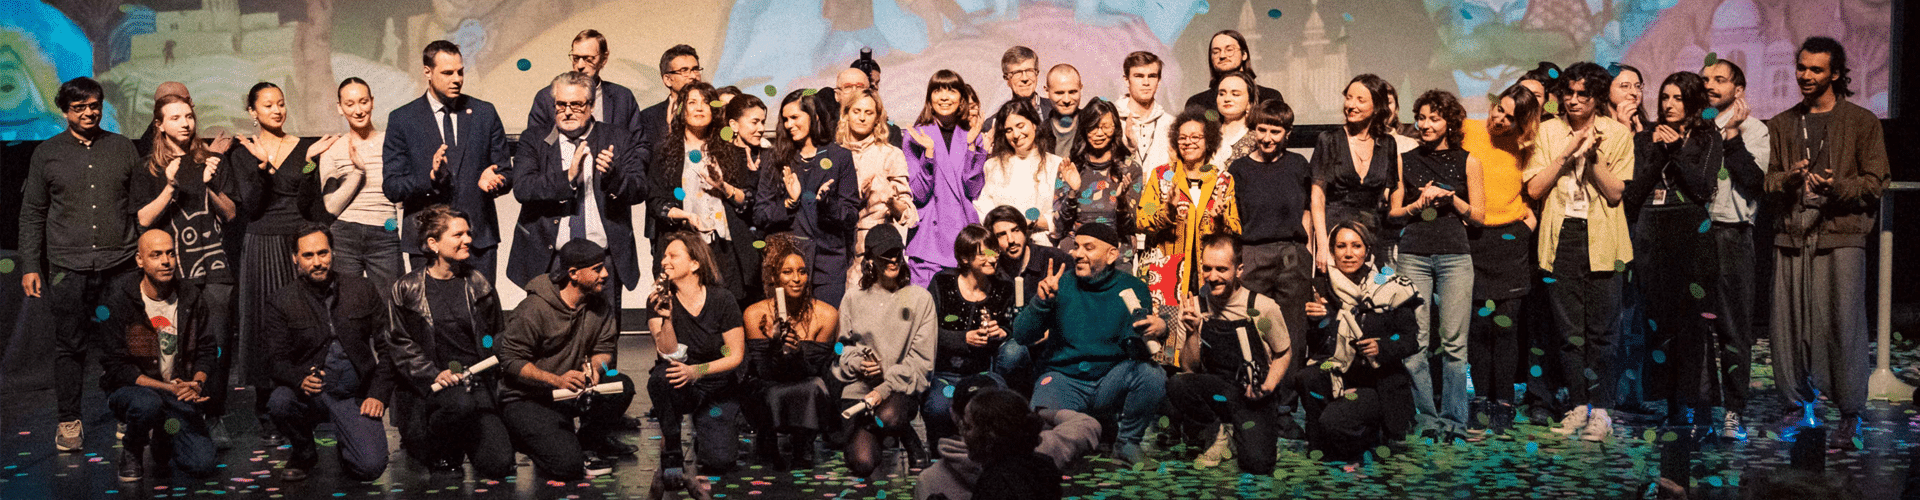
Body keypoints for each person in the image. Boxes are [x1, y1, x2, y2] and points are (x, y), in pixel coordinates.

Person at [1765, 37, 1888, 450]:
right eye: (1801, 67)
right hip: (1792, 235)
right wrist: (1788, 179)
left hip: (1841, 235)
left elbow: (1875, 182)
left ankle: (1850, 413)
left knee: (1843, 325)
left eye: (1815, 70)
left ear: (1835, 73)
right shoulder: (1782, 124)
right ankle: (1796, 406)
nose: (1805, 76)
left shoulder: (1861, 121)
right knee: (1789, 325)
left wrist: (1837, 188)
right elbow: (1766, 181)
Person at [22, 77, 140, 453]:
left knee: (123, 345)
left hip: (119, 264)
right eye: (79, 108)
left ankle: (129, 413)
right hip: (67, 268)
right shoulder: (47, 153)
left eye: (94, 105)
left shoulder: (122, 148)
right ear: (65, 111)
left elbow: (138, 204)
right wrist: (29, 265)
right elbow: (32, 213)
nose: (89, 112)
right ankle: (69, 420)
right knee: (69, 346)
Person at [1523, 61, 1636, 442]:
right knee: (1569, 332)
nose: (1572, 100)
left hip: (1603, 236)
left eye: (1581, 94)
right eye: (1567, 93)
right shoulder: (1548, 131)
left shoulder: (1617, 133)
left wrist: (1590, 158)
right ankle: (1576, 405)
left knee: (1603, 331)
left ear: (1597, 98)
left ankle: (1601, 410)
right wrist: (1567, 153)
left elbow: (1616, 192)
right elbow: (1535, 189)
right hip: (1562, 236)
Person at [1630, 71, 1746, 432]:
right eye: (1665, 97)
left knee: (1693, 324)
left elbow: (1703, 188)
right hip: (1653, 231)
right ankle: (1672, 407)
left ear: (1693, 102)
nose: (1668, 105)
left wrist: (1678, 150)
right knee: (1659, 323)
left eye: (1678, 98)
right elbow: (1635, 194)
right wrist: (1658, 151)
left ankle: (1697, 406)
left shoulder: (1706, 137)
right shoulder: (1645, 137)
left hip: (1693, 233)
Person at [130, 93, 241, 448]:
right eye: (175, 117)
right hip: (175, 270)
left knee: (218, 345)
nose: (185, 123)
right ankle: (176, 413)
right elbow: (144, 219)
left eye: (189, 116)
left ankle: (213, 414)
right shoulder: (147, 167)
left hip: (215, 267)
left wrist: (208, 184)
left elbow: (231, 214)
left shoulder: (211, 160)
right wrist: (171, 186)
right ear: (159, 125)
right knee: (178, 345)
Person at [229, 81, 335, 447]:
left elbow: (308, 203)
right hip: (261, 242)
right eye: (268, 105)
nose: (277, 110)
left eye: (281, 104)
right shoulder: (243, 151)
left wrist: (310, 164)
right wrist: (261, 168)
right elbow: (252, 206)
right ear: (252, 112)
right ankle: (266, 407)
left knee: (302, 318)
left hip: (297, 241)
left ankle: (309, 396)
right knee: (262, 320)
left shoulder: (304, 147)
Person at [1009, 222, 1168, 465]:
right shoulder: (1059, 284)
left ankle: (1127, 443)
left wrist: (1158, 330)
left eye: (1088, 248)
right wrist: (1041, 303)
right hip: (1064, 378)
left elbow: (1137, 350)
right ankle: (1093, 429)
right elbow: (1021, 336)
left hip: (1109, 380)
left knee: (1152, 375)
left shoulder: (1133, 288)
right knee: (1041, 426)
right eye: (1076, 246)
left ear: (1112, 254)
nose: (1077, 254)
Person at [385, 205, 514, 477]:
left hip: (473, 380)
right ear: (433, 243)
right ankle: (440, 446)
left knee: (499, 463)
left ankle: (466, 437)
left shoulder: (478, 282)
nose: (468, 240)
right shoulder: (407, 288)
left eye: (468, 233)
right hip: (433, 385)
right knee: (459, 406)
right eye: (458, 235)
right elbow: (400, 343)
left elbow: (493, 333)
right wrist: (434, 373)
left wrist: (490, 351)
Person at [263, 223, 393, 481]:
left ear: (333, 253)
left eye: (323, 253)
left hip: (353, 396)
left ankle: (349, 446)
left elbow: (388, 347)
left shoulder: (362, 289)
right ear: (295, 259)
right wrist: (300, 377)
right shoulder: (281, 301)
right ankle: (304, 452)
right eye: (308, 256)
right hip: (312, 395)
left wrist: (377, 394)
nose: (317, 262)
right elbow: (275, 360)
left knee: (369, 467)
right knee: (280, 402)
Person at [510, 70, 647, 311]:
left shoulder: (617, 137)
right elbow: (522, 188)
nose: (568, 111)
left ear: (592, 105)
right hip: (551, 259)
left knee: (603, 339)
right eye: (561, 105)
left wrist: (615, 178)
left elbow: (639, 190)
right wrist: (568, 177)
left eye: (576, 104)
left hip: (602, 260)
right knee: (550, 341)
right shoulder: (534, 139)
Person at [498, 239, 634, 479]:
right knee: (566, 467)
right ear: (573, 273)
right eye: (596, 269)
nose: (605, 274)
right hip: (528, 398)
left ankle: (587, 442)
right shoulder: (534, 309)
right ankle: (528, 437)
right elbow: (511, 361)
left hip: (568, 392)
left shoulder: (599, 305)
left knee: (622, 386)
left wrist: (596, 370)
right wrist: (555, 380)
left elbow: (604, 348)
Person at [1389, 90, 1480, 440]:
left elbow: (1481, 217)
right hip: (1413, 254)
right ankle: (1427, 418)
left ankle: (1455, 421)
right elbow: (1394, 213)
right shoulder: (1405, 159)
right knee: (1415, 341)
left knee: (1455, 344)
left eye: (1434, 118)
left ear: (1449, 123)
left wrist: (1450, 197)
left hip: (1455, 255)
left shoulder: (1468, 160)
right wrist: (1417, 204)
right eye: (1422, 117)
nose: (1426, 125)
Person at [384, 40, 512, 286]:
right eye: (447, 72)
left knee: (481, 318)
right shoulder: (402, 119)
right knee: (432, 320)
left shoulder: (484, 113)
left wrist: (496, 182)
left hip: (477, 241)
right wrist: (429, 178)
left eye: (460, 71)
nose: (457, 79)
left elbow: (506, 172)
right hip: (427, 244)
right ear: (427, 72)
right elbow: (392, 187)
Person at [1294, 220, 1421, 463]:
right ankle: (1326, 444)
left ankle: (1364, 440)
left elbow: (1409, 340)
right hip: (1339, 374)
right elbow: (1321, 347)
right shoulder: (1322, 288)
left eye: (1356, 246)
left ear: (1368, 251)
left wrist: (1381, 347)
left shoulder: (1391, 287)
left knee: (1334, 420)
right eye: (1341, 246)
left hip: (1376, 383)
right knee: (1307, 377)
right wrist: (1320, 321)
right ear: (1332, 252)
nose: (1349, 253)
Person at [1164, 234, 1290, 473]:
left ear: (1239, 269)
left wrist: (1268, 387)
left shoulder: (1261, 307)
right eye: (1207, 268)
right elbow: (1189, 370)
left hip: (1254, 393)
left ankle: (1252, 437)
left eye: (1222, 269)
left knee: (1257, 465)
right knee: (1177, 384)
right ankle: (1218, 434)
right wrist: (1192, 332)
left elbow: (1284, 353)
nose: (1213, 277)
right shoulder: (1196, 307)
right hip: (1218, 390)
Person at [100, 230, 219, 481]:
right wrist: (167, 388)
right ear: (140, 260)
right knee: (148, 405)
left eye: (170, 253)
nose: (166, 261)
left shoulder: (190, 295)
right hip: (133, 391)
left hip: (177, 390)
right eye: (156, 255)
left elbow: (208, 348)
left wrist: (196, 383)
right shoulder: (120, 298)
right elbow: (117, 367)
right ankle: (133, 448)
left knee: (201, 463)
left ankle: (164, 437)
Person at [1460, 85, 1542, 438]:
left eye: (1510, 117)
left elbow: (1535, 189)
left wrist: (1528, 225)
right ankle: (1479, 400)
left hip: (1511, 239)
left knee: (1505, 329)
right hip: (1474, 237)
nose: (1499, 119)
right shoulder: (1467, 129)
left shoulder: (1525, 146)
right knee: (1478, 328)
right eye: (1499, 109)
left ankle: (1504, 403)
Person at [1225, 99, 1314, 408]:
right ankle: (1253, 396)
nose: (1267, 137)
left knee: (1292, 331)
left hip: (1292, 253)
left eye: (1275, 131)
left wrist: (1308, 252)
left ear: (1287, 133)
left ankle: (1286, 406)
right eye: (1262, 129)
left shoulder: (1298, 165)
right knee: (1250, 327)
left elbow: (1307, 212)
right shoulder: (1239, 168)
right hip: (1252, 253)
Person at [833, 224, 938, 477]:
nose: (893, 260)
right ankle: (899, 437)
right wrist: (859, 363)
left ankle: (904, 436)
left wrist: (883, 387)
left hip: (897, 391)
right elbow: (840, 349)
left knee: (889, 415)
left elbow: (921, 363)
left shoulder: (920, 299)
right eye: (884, 255)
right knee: (862, 462)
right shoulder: (852, 298)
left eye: (896, 253)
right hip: (859, 391)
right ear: (870, 259)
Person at [1700, 58, 1770, 440]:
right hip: (1695, 235)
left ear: (1738, 90)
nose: (1710, 85)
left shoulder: (1756, 130)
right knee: (1695, 329)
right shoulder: (1696, 128)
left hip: (1732, 235)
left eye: (1720, 80)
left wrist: (1732, 138)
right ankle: (1702, 409)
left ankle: (1733, 411)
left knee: (1733, 330)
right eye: (1706, 79)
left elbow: (1754, 182)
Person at [647, 232, 748, 482]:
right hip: (683, 384)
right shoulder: (658, 300)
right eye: (664, 256)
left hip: (716, 386)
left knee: (719, 461)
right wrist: (667, 319)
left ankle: (708, 430)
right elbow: (667, 353)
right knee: (660, 378)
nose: (665, 261)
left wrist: (697, 371)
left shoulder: (722, 299)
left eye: (673, 256)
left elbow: (735, 355)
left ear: (695, 264)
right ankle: (671, 443)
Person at [649, 81, 758, 305]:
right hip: (684, 244)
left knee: (726, 310)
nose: (700, 108)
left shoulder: (731, 151)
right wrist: (686, 216)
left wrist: (722, 186)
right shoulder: (665, 152)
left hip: (724, 246)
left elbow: (747, 200)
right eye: (692, 102)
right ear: (682, 110)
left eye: (706, 102)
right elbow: (656, 202)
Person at [741, 235, 840, 470]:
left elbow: (816, 370)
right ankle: (768, 436)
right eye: (787, 272)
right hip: (768, 385)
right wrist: (775, 345)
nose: (796, 279)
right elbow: (764, 372)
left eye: (802, 271)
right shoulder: (755, 314)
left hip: (806, 382)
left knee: (814, 385)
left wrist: (796, 353)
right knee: (767, 390)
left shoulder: (826, 315)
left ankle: (803, 442)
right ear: (775, 277)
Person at [755, 90, 862, 305]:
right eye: (785, 119)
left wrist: (828, 204)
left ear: (814, 116)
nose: (788, 125)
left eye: (794, 117)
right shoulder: (774, 158)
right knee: (788, 334)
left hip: (828, 266)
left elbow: (851, 216)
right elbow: (760, 215)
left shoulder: (840, 157)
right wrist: (789, 203)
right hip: (787, 267)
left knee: (825, 333)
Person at [916, 382, 1099, 500]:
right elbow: (1086, 425)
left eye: (969, 426)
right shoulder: (1046, 458)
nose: (965, 432)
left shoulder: (931, 479)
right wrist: (1042, 413)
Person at [1138, 107, 1240, 309]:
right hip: (1167, 272)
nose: (1188, 142)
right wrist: (1168, 210)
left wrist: (1219, 219)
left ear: (1208, 141)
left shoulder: (1223, 180)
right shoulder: (1161, 177)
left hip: (1210, 275)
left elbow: (1236, 231)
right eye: (1182, 137)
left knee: (1209, 333)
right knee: (1168, 336)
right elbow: (1142, 220)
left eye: (1196, 137)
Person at [924, 225, 1017, 446]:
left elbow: (1013, 324)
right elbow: (925, 330)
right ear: (965, 258)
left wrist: (1003, 331)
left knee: (993, 409)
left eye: (994, 252)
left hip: (983, 372)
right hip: (945, 374)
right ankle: (940, 458)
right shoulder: (943, 283)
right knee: (938, 408)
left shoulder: (1004, 287)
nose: (992, 259)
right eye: (983, 254)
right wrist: (962, 339)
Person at [903, 70, 989, 287]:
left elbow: (973, 191)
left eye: (951, 90)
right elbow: (919, 195)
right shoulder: (915, 136)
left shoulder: (971, 136)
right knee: (925, 313)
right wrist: (929, 154)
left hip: (964, 240)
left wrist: (972, 147)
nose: (944, 96)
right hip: (928, 242)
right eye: (937, 90)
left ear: (962, 99)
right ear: (929, 98)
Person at [318, 78, 404, 291]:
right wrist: (358, 172)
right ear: (340, 108)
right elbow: (331, 207)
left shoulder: (391, 142)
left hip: (386, 227)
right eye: (350, 104)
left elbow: (400, 201)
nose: (358, 110)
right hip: (344, 232)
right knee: (346, 306)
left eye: (363, 102)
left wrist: (390, 225)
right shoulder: (332, 147)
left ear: (372, 102)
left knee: (391, 304)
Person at [1313, 74, 1401, 269]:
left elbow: (1391, 190)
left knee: (1374, 292)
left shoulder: (1387, 144)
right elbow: (1317, 197)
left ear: (1377, 106)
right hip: (1334, 234)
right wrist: (1321, 246)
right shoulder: (1329, 140)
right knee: (1333, 295)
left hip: (1371, 237)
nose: (1351, 105)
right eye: (1348, 97)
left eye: (1360, 100)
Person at [839, 87, 918, 288]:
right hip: (839, 250)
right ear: (846, 114)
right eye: (856, 111)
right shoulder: (833, 154)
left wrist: (891, 200)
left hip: (876, 250)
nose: (862, 118)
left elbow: (909, 215)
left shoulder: (891, 154)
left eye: (869, 112)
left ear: (877, 118)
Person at [1054, 99, 1144, 272]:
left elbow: (1132, 227)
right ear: (1084, 129)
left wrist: (1122, 202)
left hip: (1115, 257)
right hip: (1077, 257)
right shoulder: (1070, 168)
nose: (1099, 133)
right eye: (1093, 127)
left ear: (1116, 129)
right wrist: (1073, 192)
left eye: (1106, 127)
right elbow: (1059, 226)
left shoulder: (1130, 168)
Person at [526, 30, 648, 144]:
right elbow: (534, 146)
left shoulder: (623, 98)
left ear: (604, 59)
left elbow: (639, 145)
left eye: (588, 59)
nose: (580, 65)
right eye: (576, 58)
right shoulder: (546, 97)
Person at [974, 99, 1065, 246]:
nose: (1016, 134)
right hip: (1005, 248)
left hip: (1045, 249)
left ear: (1034, 124)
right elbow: (983, 210)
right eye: (1008, 130)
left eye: (1020, 126)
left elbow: (1062, 217)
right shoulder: (992, 166)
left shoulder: (1056, 164)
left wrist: (1033, 222)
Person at [1182, 30, 1283, 113]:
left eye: (1229, 50)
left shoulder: (1269, 98)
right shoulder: (1197, 104)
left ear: (1244, 55)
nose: (1222, 56)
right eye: (1215, 52)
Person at [1116, 52, 1174, 178]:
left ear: (1158, 81)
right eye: (1139, 76)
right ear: (1126, 80)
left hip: (1161, 195)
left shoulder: (1171, 124)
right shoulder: (1111, 120)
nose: (1146, 82)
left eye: (1152, 76)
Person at [639, 44, 704, 150]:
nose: (693, 76)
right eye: (684, 71)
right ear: (668, 80)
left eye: (695, 69)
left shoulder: (713, 111)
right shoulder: (648, 118)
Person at [988, 46, 1052, 131]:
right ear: (1007, 79)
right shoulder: (993, 125)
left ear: (1037, 73)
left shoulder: (1058, 110)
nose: (1024, 78)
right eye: (1017, 73)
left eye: (1029, 71)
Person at [1209, 71, 1260, 168]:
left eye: (1235, 94)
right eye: (1222, 94)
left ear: (1250, 102)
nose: (1227, 98)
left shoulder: (1258, 138)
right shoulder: (1205, 135)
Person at [1044, 65, 1083, 157]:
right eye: (1059, 93)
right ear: (1047, 92)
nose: (1066, 100)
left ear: (1080, 89)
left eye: (1072, 92)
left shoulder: (1092, 124)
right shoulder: (1039, 133)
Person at [1605, 64, 1647, 135]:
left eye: (1638, 86)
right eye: (1625, 86)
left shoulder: (1651, 129)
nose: (1634, 92)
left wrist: (1641, 136)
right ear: (1607, 89)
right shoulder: (1596, 127)